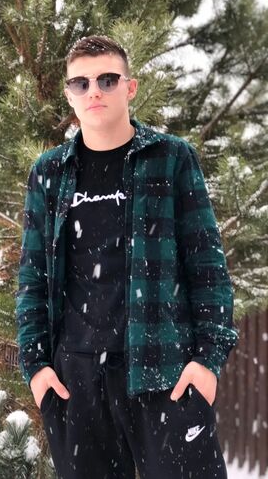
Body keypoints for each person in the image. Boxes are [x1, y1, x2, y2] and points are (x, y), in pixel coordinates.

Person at [15, 35, 239, 479]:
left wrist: (207, 362)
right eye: (80, 83)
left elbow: (208, 267)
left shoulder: (171, 159)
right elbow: (33, 277)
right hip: (76, 382)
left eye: (107, 79)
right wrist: (37, 368)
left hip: (166, 373)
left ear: (130, 87)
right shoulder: (49, 172)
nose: (93, 91)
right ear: (69, 95)